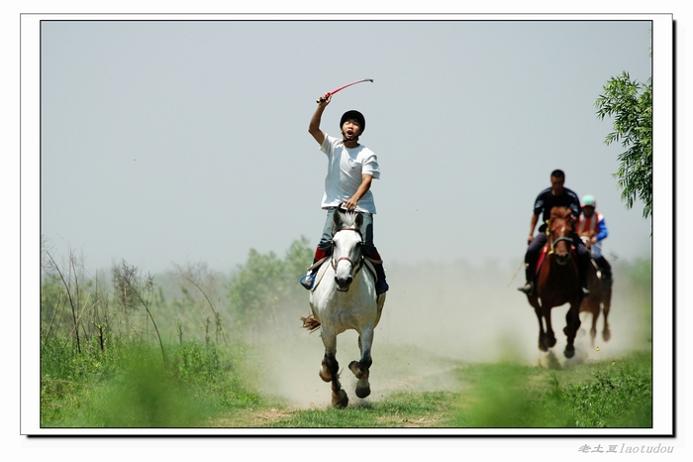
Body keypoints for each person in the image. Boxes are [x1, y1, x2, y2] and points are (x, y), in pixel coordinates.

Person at [299, 92, 389, 294]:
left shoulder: (367, 154)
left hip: (362, 207)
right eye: (347, 122)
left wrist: (355, 199)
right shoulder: (333, 146)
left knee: (366, 244)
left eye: (356, 124)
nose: (351, 126)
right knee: (326, 241)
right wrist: (322, 106)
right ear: (342, 127)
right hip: (335, 205)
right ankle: (312, 274)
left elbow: (367, 180)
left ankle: (380, 278)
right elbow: (312, 129)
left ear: (360, 130)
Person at [518, 169, 590, 296]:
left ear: (564, 182)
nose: (557, 186)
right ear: (551, 182)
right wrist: (530, 233)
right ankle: (529, 283)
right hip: (547, 231)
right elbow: (535, 215)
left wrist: (571, 221)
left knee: (583, 253)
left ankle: (583, 284)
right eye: (555, 183)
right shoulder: (543, 196)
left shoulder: (571, 196)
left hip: (567, 233)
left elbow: (577, 215)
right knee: (531, 251)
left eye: (560, 183)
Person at [577, 195, 612, 282]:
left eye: (590, 208)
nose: (588, 210)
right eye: (586, 208)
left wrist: (595, 238)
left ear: (593, 208)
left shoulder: (599, 217)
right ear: (582, 208)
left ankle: (606, 278)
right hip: (578, 241)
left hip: (594, 242)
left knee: (596, 255)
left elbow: (604, 232)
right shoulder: (577, 217)